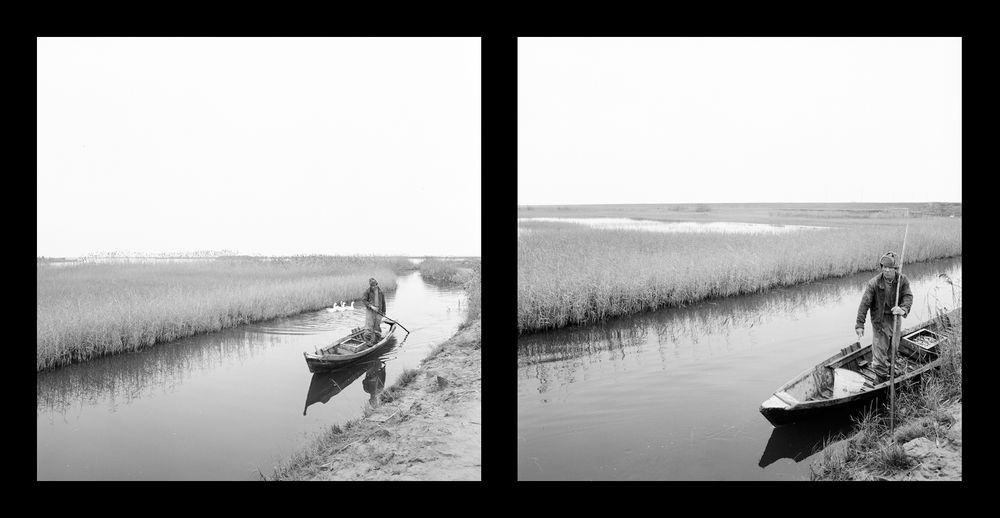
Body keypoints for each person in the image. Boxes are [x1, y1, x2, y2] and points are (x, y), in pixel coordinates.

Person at [855, 251, 913, 384]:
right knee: (880, 351)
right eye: (884, 267)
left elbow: (908, 297)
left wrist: (902, 309)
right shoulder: (874, 283)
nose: (886, 270)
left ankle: (891, 369)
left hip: (895, 318)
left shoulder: (902, 280)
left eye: (890, 267)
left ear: (895, 268)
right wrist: (859, 324)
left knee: (894, 347)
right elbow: (864, 304)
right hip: (880, 322)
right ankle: (881, 378)